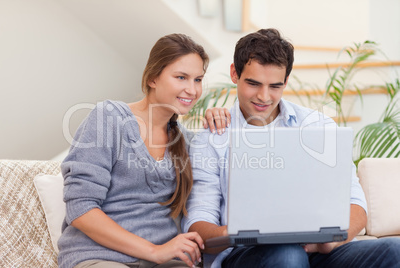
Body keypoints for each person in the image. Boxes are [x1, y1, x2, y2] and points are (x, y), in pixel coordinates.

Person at [182, 28, 400, 268]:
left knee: (393, 249)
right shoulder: (213, 137)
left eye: (275, 86)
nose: (264, 96)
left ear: (286, 80)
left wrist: (326, 243)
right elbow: (198, 223)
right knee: (288, 255)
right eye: (253, 83)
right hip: (249, 255)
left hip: (318, 252)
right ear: (235, 73)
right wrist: (240, 229)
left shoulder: (319, 126)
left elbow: (356, 203)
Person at [57, 33, 230, 268]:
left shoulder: (189, 142)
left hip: (165, 261)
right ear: (153, 78)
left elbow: (217, 188)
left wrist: (221, 122)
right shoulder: (109, 119)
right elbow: (80, 209)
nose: (192, 90)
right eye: (181, 77)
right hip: (100, 257)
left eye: (198, 79)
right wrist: (154, 251)